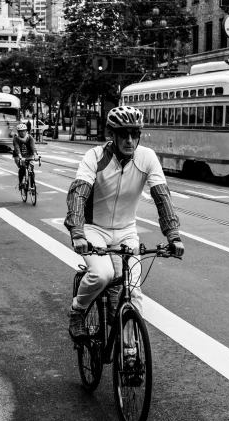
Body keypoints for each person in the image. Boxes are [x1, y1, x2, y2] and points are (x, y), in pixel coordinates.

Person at [65, 106, 184, 365]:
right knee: (103, 274)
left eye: (134, 134)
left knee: (133, 290)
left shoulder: (147, 158)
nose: (130, 140)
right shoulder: (95, 157)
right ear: (112, 135)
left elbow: (162, 196)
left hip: (126, 230)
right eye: (123, 134)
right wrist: (77, 232)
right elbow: (78, 193)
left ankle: (130, 350)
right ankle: (78, 310)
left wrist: (173, 235)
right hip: (93, 228)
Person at [12, 123, 38, 189]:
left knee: (31, 170)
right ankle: (21, 182)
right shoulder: (15, 138)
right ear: (18, 132)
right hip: (19, 155)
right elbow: (17, 148)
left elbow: (33, 147)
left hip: (29, 155)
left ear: (26, 131)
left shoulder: (30, 137)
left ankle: (32, 187)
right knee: (22, 168)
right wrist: (20, 157)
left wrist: (35, 155)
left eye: (24, 131)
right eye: (20, 131)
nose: (22, 133)